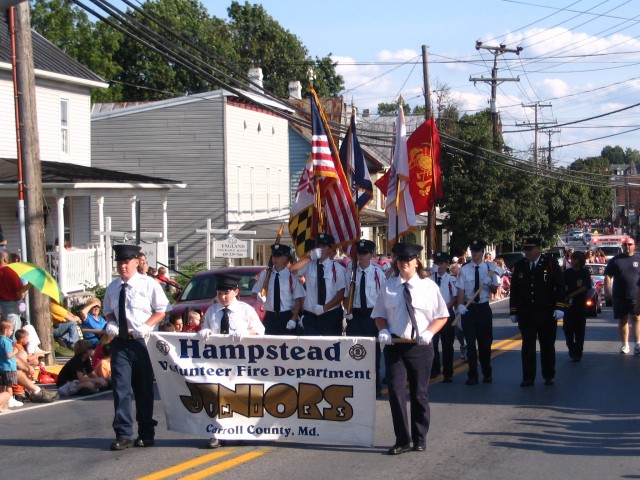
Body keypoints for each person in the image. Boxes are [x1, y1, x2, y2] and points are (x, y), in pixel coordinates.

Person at [373, 243, 449, 455]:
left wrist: (430, 332)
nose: (405, 263)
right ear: (396, 262)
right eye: (400, 260)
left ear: (417, 262)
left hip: (420, 347)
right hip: (395, 346)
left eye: (409, 260)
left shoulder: (429, 287)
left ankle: (420, 437)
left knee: (419, 394)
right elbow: (379, 314)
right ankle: (402, 439)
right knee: (396, 393)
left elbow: (442, 315)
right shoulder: (388, 286)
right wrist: (384, 330)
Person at [102, 244, 171, 451]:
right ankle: (123, 434)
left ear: (136, 262)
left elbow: (163, 310)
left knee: (143, 389)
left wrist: (146, 325)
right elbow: (108, 310)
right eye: (120, 262)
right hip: (121, 343)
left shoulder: (148, 284)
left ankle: (146, 432)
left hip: (142, 342)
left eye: (126, 262)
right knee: (121, 389)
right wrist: (111, 323)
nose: (122, 266)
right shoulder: (113, 287)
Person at [198, 274, 265, 449]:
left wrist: (246, 332)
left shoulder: (245, 309)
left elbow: (260, 330)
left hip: (239, 361)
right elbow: (205, 327)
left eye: (227, 293)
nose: (223, 297)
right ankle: (217, 433)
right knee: (217, 397)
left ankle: (242, 432)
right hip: (218, 363)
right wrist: (204, 331)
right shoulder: (212, 310)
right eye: (220, 293)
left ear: (236, 292)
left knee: (240, 396)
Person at [510, 237, 565, 387]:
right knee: (527, 346)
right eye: (525, 250)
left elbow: (560, 286)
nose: (527, 252)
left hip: (546, 312)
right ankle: (528, 377)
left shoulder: (550, 263)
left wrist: (559, 307)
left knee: (547, 345)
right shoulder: (520, 265)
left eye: (530, 249)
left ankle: (548, 375)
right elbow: (514, 289)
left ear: (538, 249)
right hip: (526, 313)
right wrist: (513, 310)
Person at [343, 239, 386, 395]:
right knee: (354, 351)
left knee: (373, 352)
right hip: (354, 316)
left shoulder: (377, 273)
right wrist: (347, 311)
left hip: (371, 316)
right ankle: (357, 385)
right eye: (359, 253)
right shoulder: (350, 272)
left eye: (365, 253)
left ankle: (375, 386)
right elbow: (347, 295)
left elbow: (382, 298)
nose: (361, 256)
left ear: (371, 254)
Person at [455, 239, 500, 385]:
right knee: (470, 343)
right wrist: (460, 306)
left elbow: (495, 289)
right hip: (470, 309)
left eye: (477, 251)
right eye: (472, 251)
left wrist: (489, 284)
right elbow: (461, 290)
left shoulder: (490, 268)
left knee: (485, 344)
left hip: (483, 309)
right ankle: (472, 375)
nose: (474, 253)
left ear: (482, 252)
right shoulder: (465, 269)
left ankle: (487, 372)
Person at [290, 233, 346, 336]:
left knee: (332, 348)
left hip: (331, 315)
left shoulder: (337, 268)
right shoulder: (309, 264)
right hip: (311, 316)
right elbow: (293, 269)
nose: (320, 249)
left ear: (330, 248)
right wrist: (310, 257)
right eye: (318, 246)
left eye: (324, 246)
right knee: (311, 349)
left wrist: (324, 308)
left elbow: (341, 294)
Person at [252, 244, 305, 335]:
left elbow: (298, 300)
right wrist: (258, 296)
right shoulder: (265, 275)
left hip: (286, 316)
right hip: (270, 316)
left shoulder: (291, 276)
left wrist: (293, 318)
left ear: (286, 258)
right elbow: (253, 293)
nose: (275, 259)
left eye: (279, 256)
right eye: (273, 256)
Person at [605, 238, 640, 355]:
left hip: (636, 295)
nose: (627, 246)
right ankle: (625, 345)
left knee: (636, 318)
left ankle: (638, 344)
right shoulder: (615, 260)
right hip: (620, 295)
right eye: (625, 245)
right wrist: (607, 291)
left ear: (634, 246)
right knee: (623, 319)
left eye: (629, 244)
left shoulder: (638, 259)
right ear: (622, 246)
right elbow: (608, 276)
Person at [430, 252, 458, 383]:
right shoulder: (429, 279)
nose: (439, 266)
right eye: (437, 263)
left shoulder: (451, 279)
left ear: (447, 264)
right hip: (432, 315)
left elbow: (454, 297)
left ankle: (448, 372)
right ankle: (434, 370)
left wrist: (445, 308)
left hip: (446, 314)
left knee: (447, 345)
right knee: (432, 344)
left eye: (441, 263)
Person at [563, 250, 591, 362]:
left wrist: (572, 295)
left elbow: (585, 287)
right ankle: (571, 347)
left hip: (580, 306)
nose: (572, 261)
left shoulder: (585, 272)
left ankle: (578, 353)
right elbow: (561, 285)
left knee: (579, 331)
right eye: (572, 259)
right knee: (567, 329)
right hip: (568, 306)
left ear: (580, 261)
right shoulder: (567, 272)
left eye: (575, 259)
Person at [0, 250, 29, 340]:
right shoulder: (10, 272)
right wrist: (30, 285)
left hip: (2, 305)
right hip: (11, 305)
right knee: (14, 332)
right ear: (5, 259)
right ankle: (13, 352)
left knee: (5, 331)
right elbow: (20, 290)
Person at [0, 320, 21, 408]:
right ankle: (10, 399)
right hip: (9, 367)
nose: (12, 332)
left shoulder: (1, 340)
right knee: (9, 385)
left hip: (2, 366)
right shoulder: (6, 342)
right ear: (5, 330)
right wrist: (15, 351)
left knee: (2, 384)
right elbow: (8, 355)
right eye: (11, 330)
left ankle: (3, 399)